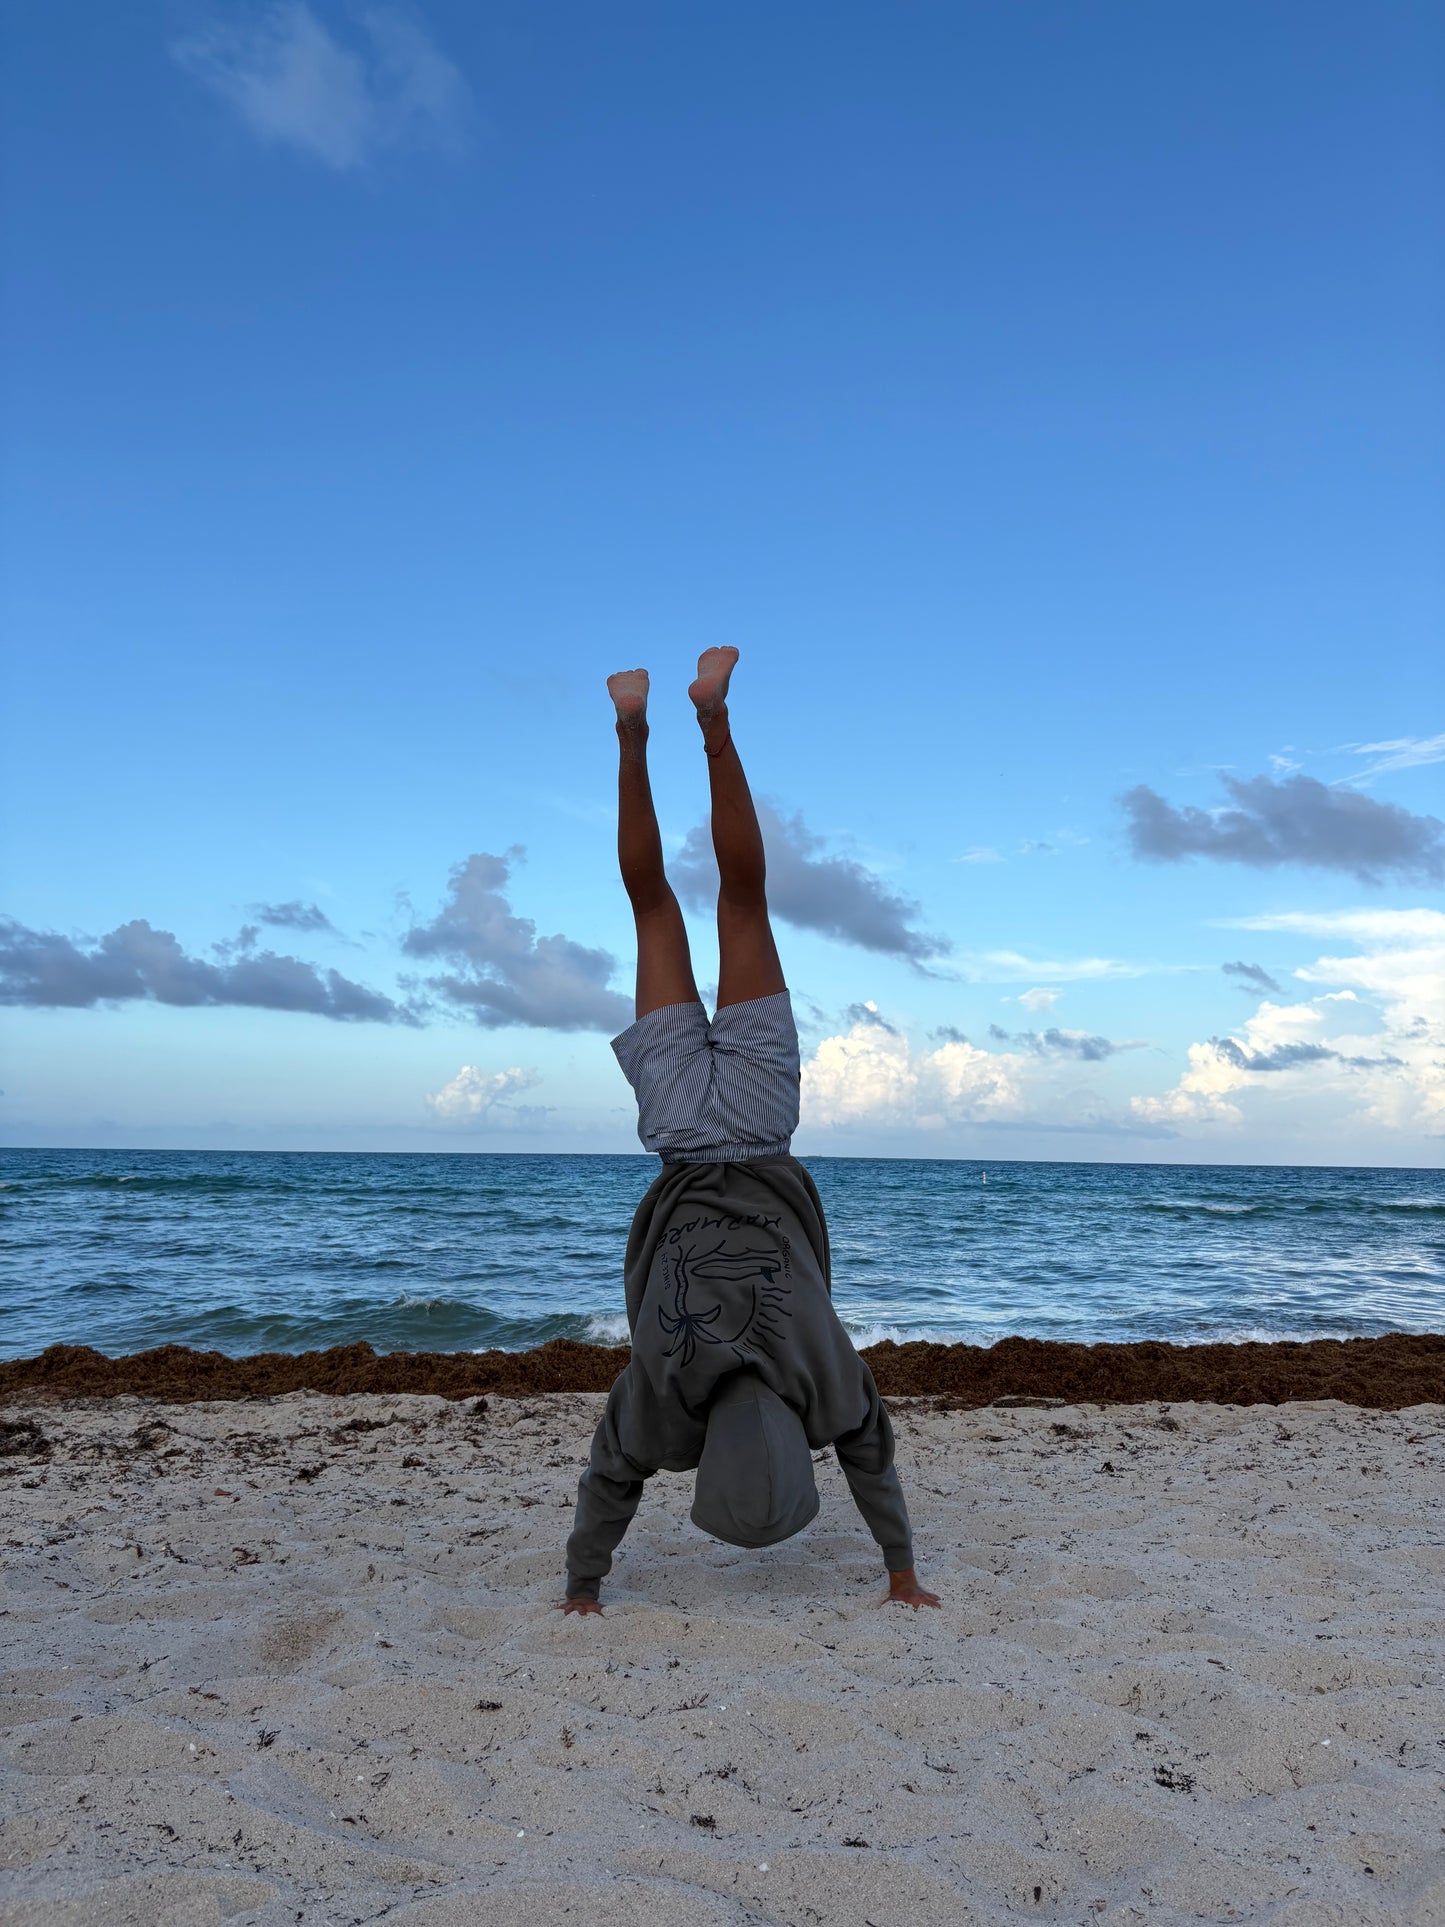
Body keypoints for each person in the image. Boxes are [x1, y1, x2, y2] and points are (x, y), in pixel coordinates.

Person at [560, 648, 939, 1616]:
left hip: (761, 1123)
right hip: (684, 1128)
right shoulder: (661, 1398)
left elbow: (868, 1447)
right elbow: (611, 1474)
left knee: (737, 899)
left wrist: (901, 1565)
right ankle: (633, 726)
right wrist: (581, 1585)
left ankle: (709, 717)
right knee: (650, 907)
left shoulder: (821, 1371)